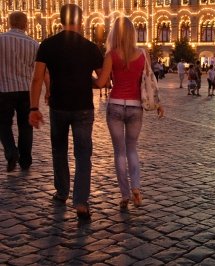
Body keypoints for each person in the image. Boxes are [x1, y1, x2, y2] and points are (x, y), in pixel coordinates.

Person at [29, 4, 104, 219]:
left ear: (61, 20)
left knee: (59, 150)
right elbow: (101, 81)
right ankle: (81, 201)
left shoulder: (48, 45)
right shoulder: (90, 47)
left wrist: (33, 108)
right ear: (81, 20)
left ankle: (62, 192)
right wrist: (85, 79)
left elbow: (37, 78)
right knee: (83, 154)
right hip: (82, 107)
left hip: (58, 106)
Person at [93, 17, 164, 210]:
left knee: (119, 152)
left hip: (115, 105)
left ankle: (124, 195)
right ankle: (137, 189)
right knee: (132, 149)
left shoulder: (111, 55)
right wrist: (158, 103)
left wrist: (87, 76)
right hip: (135, 107)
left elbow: (101, 83)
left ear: (114, 33)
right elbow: (149, 81)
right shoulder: (142, 54)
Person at [0, 12, 39, 172]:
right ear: (26, 24)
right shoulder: (33, 44)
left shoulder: (1, 39)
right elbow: (38, 70)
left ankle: (11, 152)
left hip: (4, 89)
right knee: (25, 126)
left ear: (9, 23)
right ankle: (25, 160)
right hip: (26, 90)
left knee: (2, 124)